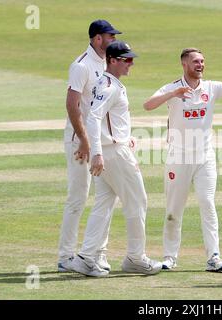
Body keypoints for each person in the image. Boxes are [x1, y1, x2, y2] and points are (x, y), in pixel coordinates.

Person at [143, 48, 222, 272]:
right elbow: (148, 104)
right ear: (184, 64)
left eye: (202, 61)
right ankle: (169, 257)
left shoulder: (210, 87)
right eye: (195, 62)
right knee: (174, 209)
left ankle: (214, 257)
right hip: (178, 157)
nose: (200, 65)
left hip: (205, 157)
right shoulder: (172, 87)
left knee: (207, 203)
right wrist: (173, 94)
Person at [70, 40, 162, 277]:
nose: (131, 64)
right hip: (114, 153)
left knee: (104, 202)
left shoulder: (106, 82)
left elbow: (103, 118)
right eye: (126, 60)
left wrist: (124, 137)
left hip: (112, 148)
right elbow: (93, 118)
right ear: (112, 60)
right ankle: (135, 257)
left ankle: (86, 257)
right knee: (137, 202)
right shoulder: (110, 86)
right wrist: (98, 153)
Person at [58, 19, 121, 273]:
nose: (113, 40)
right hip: (79, 142)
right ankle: (65, 257)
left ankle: (98, 253)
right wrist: (84, 140)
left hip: (102, 143)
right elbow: (72, 105)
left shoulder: (108, 63)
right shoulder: (81, 65)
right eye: (110, 36)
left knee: (107, 197)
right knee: (78, 197)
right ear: (97, 38)